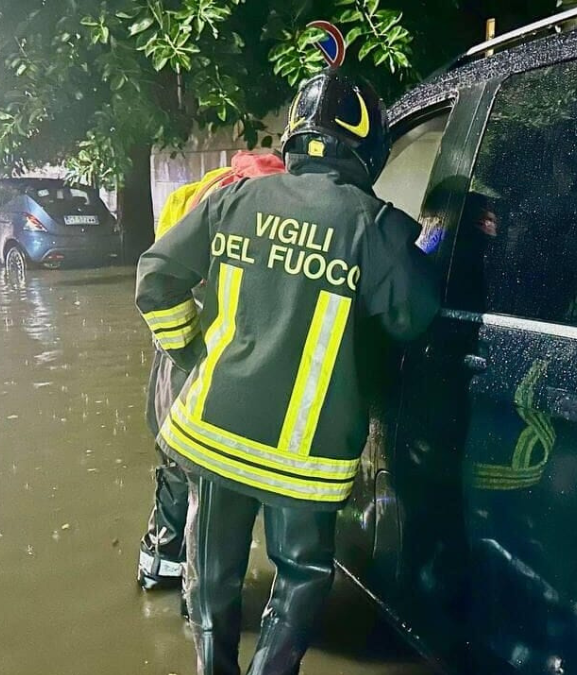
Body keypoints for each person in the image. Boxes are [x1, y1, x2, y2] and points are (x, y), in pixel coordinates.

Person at [135, 70, 440, 675]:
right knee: (301, 578)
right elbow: (413, 318)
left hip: (212, 432)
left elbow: (156, 279)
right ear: (368, 147)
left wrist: (196, 356)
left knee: (211, 576)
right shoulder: (375, 226)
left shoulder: (233, 197)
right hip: (303, 455)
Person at [137, 151, 286, 593]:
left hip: (179, 348)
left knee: (176, 469)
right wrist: (194, 357)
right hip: (195, 359)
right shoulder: (251, 211)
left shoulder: (209, 200)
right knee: (200, 482)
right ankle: (192, 590)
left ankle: (158, 567)